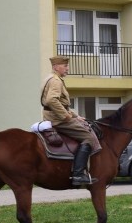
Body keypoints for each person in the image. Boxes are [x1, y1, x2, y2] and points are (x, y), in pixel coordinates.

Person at [41, 56, 101, 186]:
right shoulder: (56, 81)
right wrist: (66, 117)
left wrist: (75, 116)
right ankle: (78, 174)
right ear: (56, 67)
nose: (67, 68)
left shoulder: (50, 78)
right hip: (58, 120)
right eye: (65, 66)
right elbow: (52, 100)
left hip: (53, 116)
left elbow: (62, 104)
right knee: (89, 137)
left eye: (67, 66)